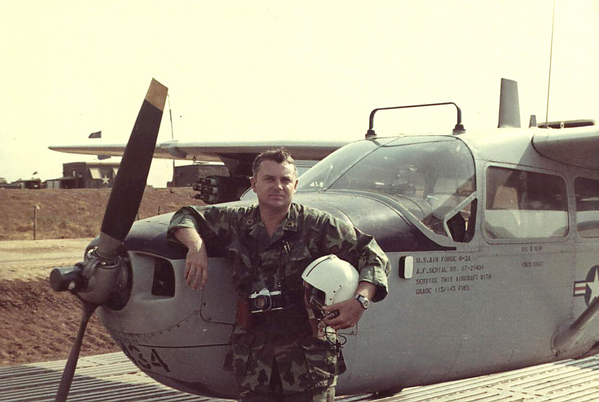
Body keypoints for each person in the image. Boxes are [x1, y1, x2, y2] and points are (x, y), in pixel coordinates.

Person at [168, 148, 390, 402]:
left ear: (295, 185)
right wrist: (196, 246)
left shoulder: (317, 225)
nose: (278, 186)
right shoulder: (236, 222)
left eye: (285, 180)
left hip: (308, 362)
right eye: (269, 179)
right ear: (253, 184)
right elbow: (184, 216)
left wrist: (360, 300)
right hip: (255, 362)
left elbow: (373, 255)